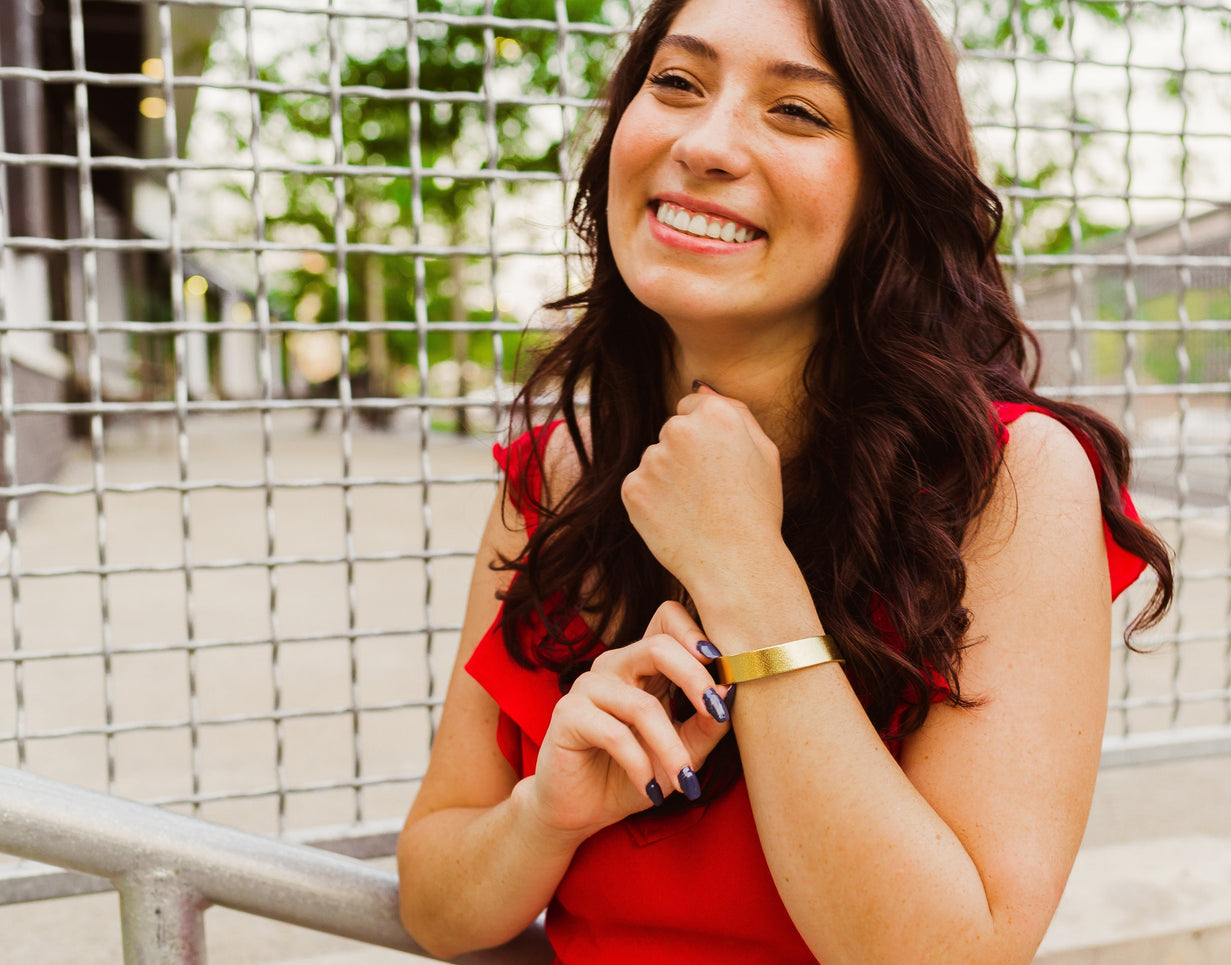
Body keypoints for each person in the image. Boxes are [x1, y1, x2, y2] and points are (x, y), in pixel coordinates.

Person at [397, 0, 1174, 961]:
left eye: (796, 112)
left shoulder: (1011, 480)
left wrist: (745, 574)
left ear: (888, 189)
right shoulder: (560, 472)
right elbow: (434, 902)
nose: (707, 143)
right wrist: (545, 814)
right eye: (676, 84)